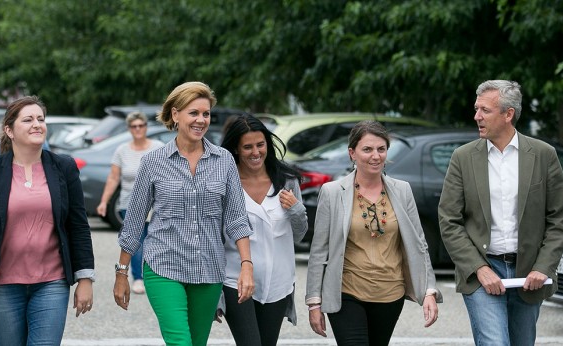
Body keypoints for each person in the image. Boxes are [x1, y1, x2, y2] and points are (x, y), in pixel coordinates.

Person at [113, 81, 254, 346]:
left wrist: (247, 265)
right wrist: (122, 273)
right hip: (164, 266)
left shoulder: (224, 160)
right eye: (194, 113)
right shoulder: (153, 163)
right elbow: (133, 223)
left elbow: (237, 219)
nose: (201, 120)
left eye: (206, 114)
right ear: (175, 115)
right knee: (179, 341)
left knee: (196, 343)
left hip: (209, 270)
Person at [438, 80, 563, 346]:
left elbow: (560, 217)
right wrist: (479, 268)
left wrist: (543, 267)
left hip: (529, 274)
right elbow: (449, 220)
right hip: (482, 270)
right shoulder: (462, 157)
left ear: (508, 114)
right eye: (476, 109)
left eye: (485, 110)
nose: (477, 116)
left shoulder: (544, 155)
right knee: (494, 342)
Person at [0, 96, 95, 345]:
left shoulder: (64, 167)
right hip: (2, 285)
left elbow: (78, 226)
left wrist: (85, 279)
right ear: (9, 130)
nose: (37, 124)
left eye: (40, 119)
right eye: (28, 120)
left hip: (51, 283)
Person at [306, 120, 441, 346]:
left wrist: (429, 290)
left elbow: (419, 244)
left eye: (381, 149)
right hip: (346, 292)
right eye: (367, 149)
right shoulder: (332, 192)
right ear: (352, 153)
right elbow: (319, 250)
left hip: (390, 294)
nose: (375, 156)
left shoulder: (402, 190)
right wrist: (314, 302)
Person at [216, 114, 308, 346]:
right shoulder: (225, 182)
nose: (255, 152)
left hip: (276, 284)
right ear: (236, 149)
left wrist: (296, 210)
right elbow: (214, 238)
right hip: (235, 280)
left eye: (260, 145)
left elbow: (300, 234)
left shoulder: (287, 181)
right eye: (247, 147)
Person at [97, 111, 162, 294]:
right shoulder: (122, 150)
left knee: (155, 241)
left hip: (156, 203)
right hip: (129, 204)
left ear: (146, 127)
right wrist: (104, 201)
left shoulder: (157, 147)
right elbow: (113, 178)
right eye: (134, 126)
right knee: (136, 241)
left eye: (141, 125)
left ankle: (156, 276)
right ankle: (138, 278)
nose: (138, 129)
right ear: (129, 129)